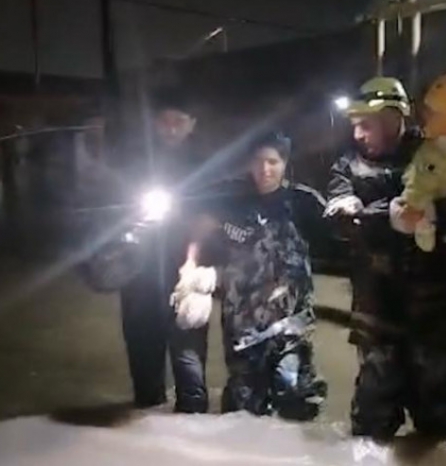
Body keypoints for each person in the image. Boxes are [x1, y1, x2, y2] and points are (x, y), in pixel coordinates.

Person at [324, 76, 446, 440]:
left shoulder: (439, 149)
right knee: (373, 412)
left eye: (366, 125)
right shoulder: (347, 167)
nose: (358, 135)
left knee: (437, 410)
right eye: (355, 125)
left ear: (394, 118)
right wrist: (380, 216)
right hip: (377, 305)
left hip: (436, 303)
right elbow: (341, 220)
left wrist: (437, 214)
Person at [173, 131, 328, 420]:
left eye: (273, 162)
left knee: (293, 390)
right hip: (242, 323)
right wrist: (190, 267)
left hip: (291, 322)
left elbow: (340, 238)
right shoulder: (229, 198)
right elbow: (198, 229)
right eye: (258, 161)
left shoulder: (303, 202)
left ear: (285, 164)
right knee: (243, 409)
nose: (264, 169)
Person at [116, 89, 210, 413]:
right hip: (139, 275)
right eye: (165, 121)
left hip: (187, 274)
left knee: (189, 359)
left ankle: (194, 423)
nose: (171, 128)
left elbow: (213, 219)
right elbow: (113, 208)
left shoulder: (205, 166)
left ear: (192, 124)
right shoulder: (134, 161)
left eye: (178, 121)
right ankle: (146, 417)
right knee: (143, 353)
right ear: (154, 123)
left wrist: (196, 262)